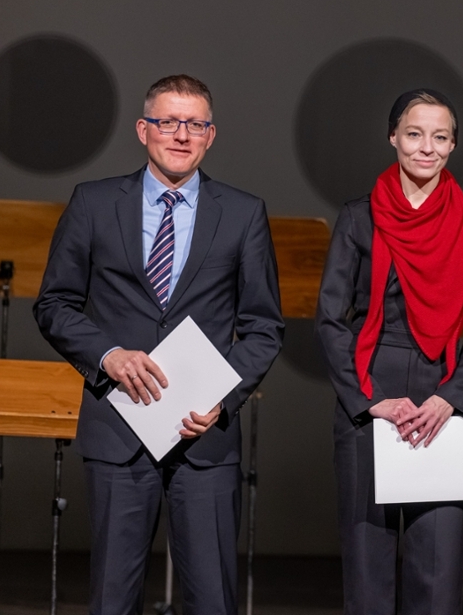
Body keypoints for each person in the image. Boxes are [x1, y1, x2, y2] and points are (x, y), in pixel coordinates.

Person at [33, 75, 284, 615]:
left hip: (204, 437)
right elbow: (53, 304)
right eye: (168, 122)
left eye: (195, 124)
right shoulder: (95, 202)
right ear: (144, 129)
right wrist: (108, 355)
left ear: (211, 136)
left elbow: (264, 327)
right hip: (119, 429)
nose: (181, 135)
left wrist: (223, 400)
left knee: (213, 598)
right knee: (113, 599)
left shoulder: (242, 213)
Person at [316, 88, 463, 615]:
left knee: (437, 578)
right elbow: (330, 320)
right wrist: (367, 400)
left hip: (442, 402)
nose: (426, 148)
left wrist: (451, 397)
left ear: (453, 146)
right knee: (368, 575)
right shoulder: (358, 217)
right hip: (369, 402)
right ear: (393, 137)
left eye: (440, 137)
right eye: (414, 134)